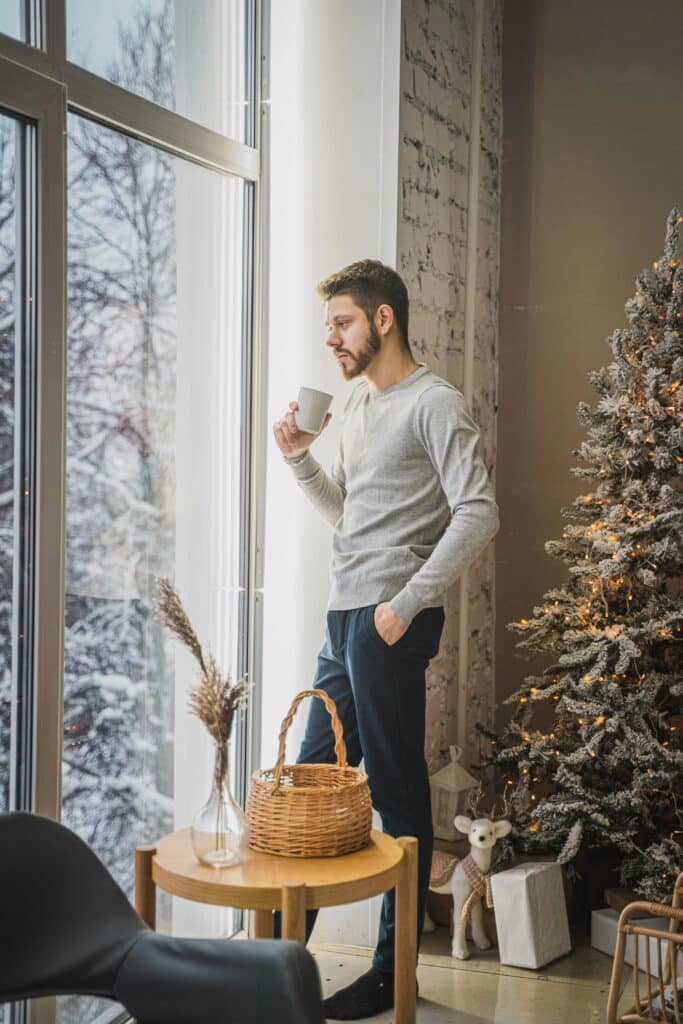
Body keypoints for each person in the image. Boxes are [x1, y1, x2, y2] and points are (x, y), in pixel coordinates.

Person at [272, 259, 499, 1020]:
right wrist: (301, 458)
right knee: (307, 786)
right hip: (345, 618)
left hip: (386, 620)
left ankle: (389, 971)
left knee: (398, 793)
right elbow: (353, 519)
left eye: (340, 323)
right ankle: (278, 961)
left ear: (382, 319)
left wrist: (401, 608)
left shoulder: (434, 403)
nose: (330, 339)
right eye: (327, 326)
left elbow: (477, 510)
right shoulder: (360, 408)